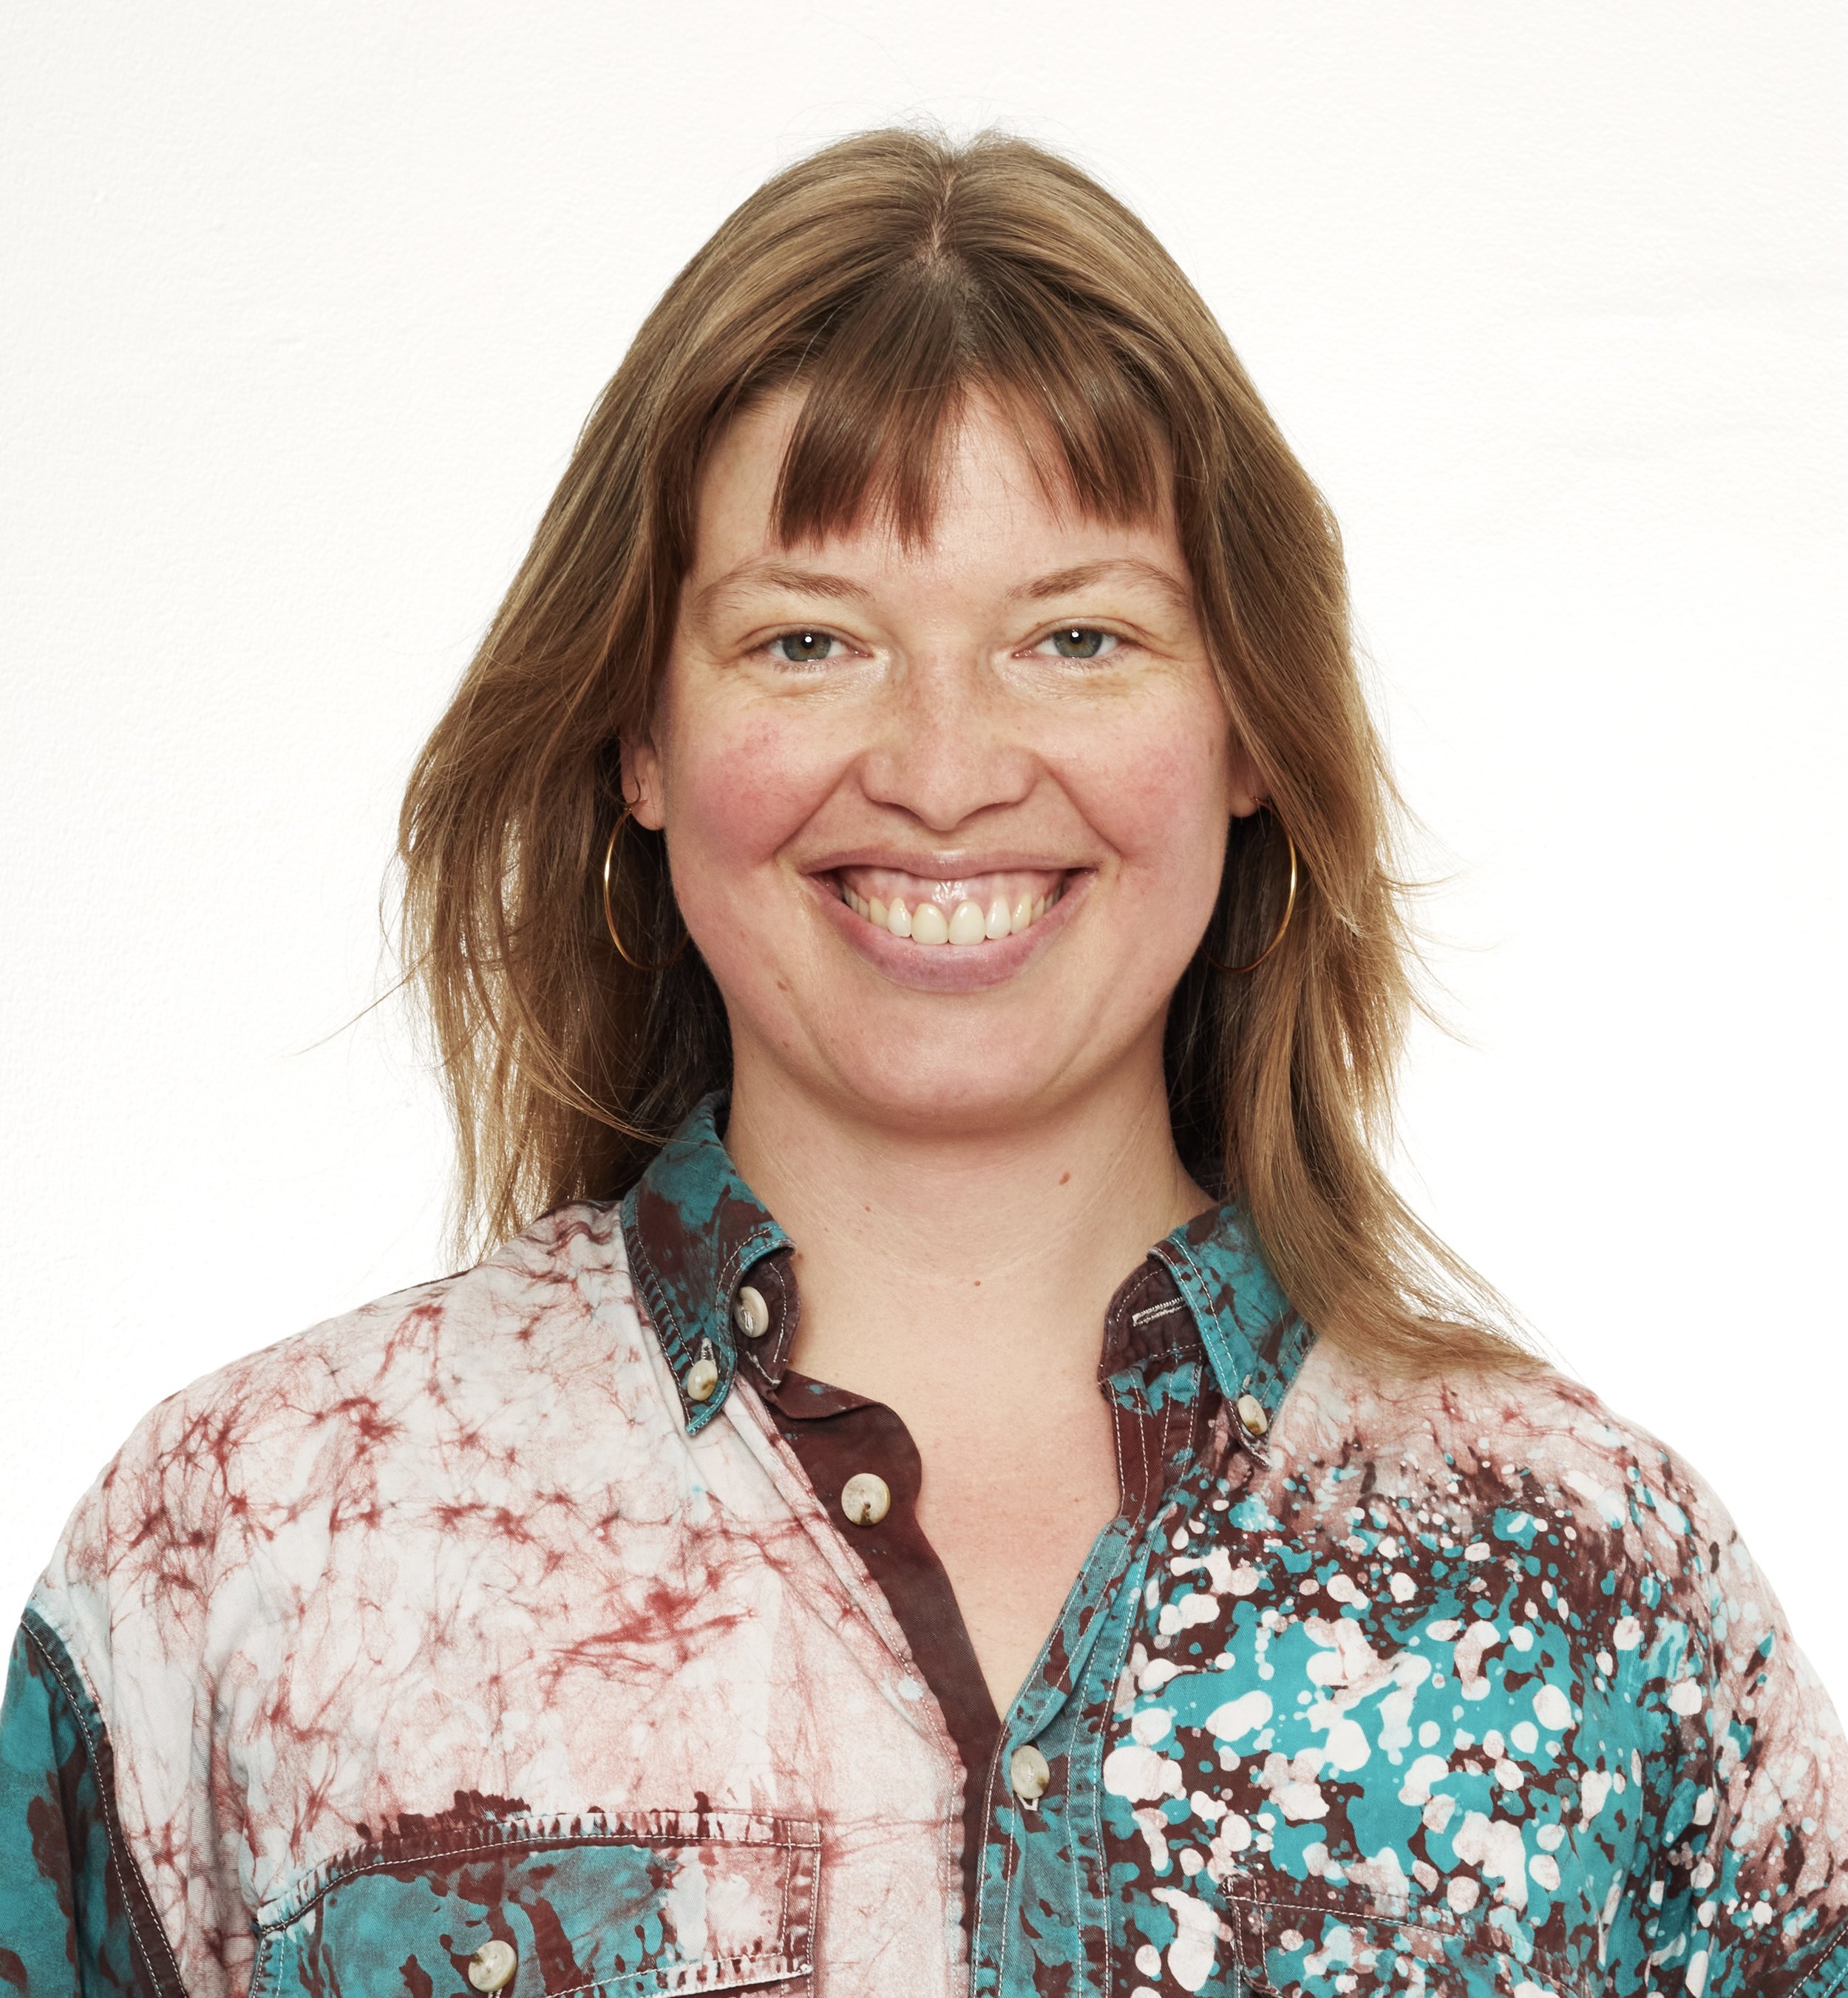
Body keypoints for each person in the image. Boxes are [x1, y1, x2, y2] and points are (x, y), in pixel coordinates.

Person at [2, 127, 1841, 1998]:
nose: (944, 768)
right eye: (807, 639)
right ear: (640, 735)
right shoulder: (255, 1545)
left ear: (1247, 728)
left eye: (1077, 635)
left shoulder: (1589, 1587)